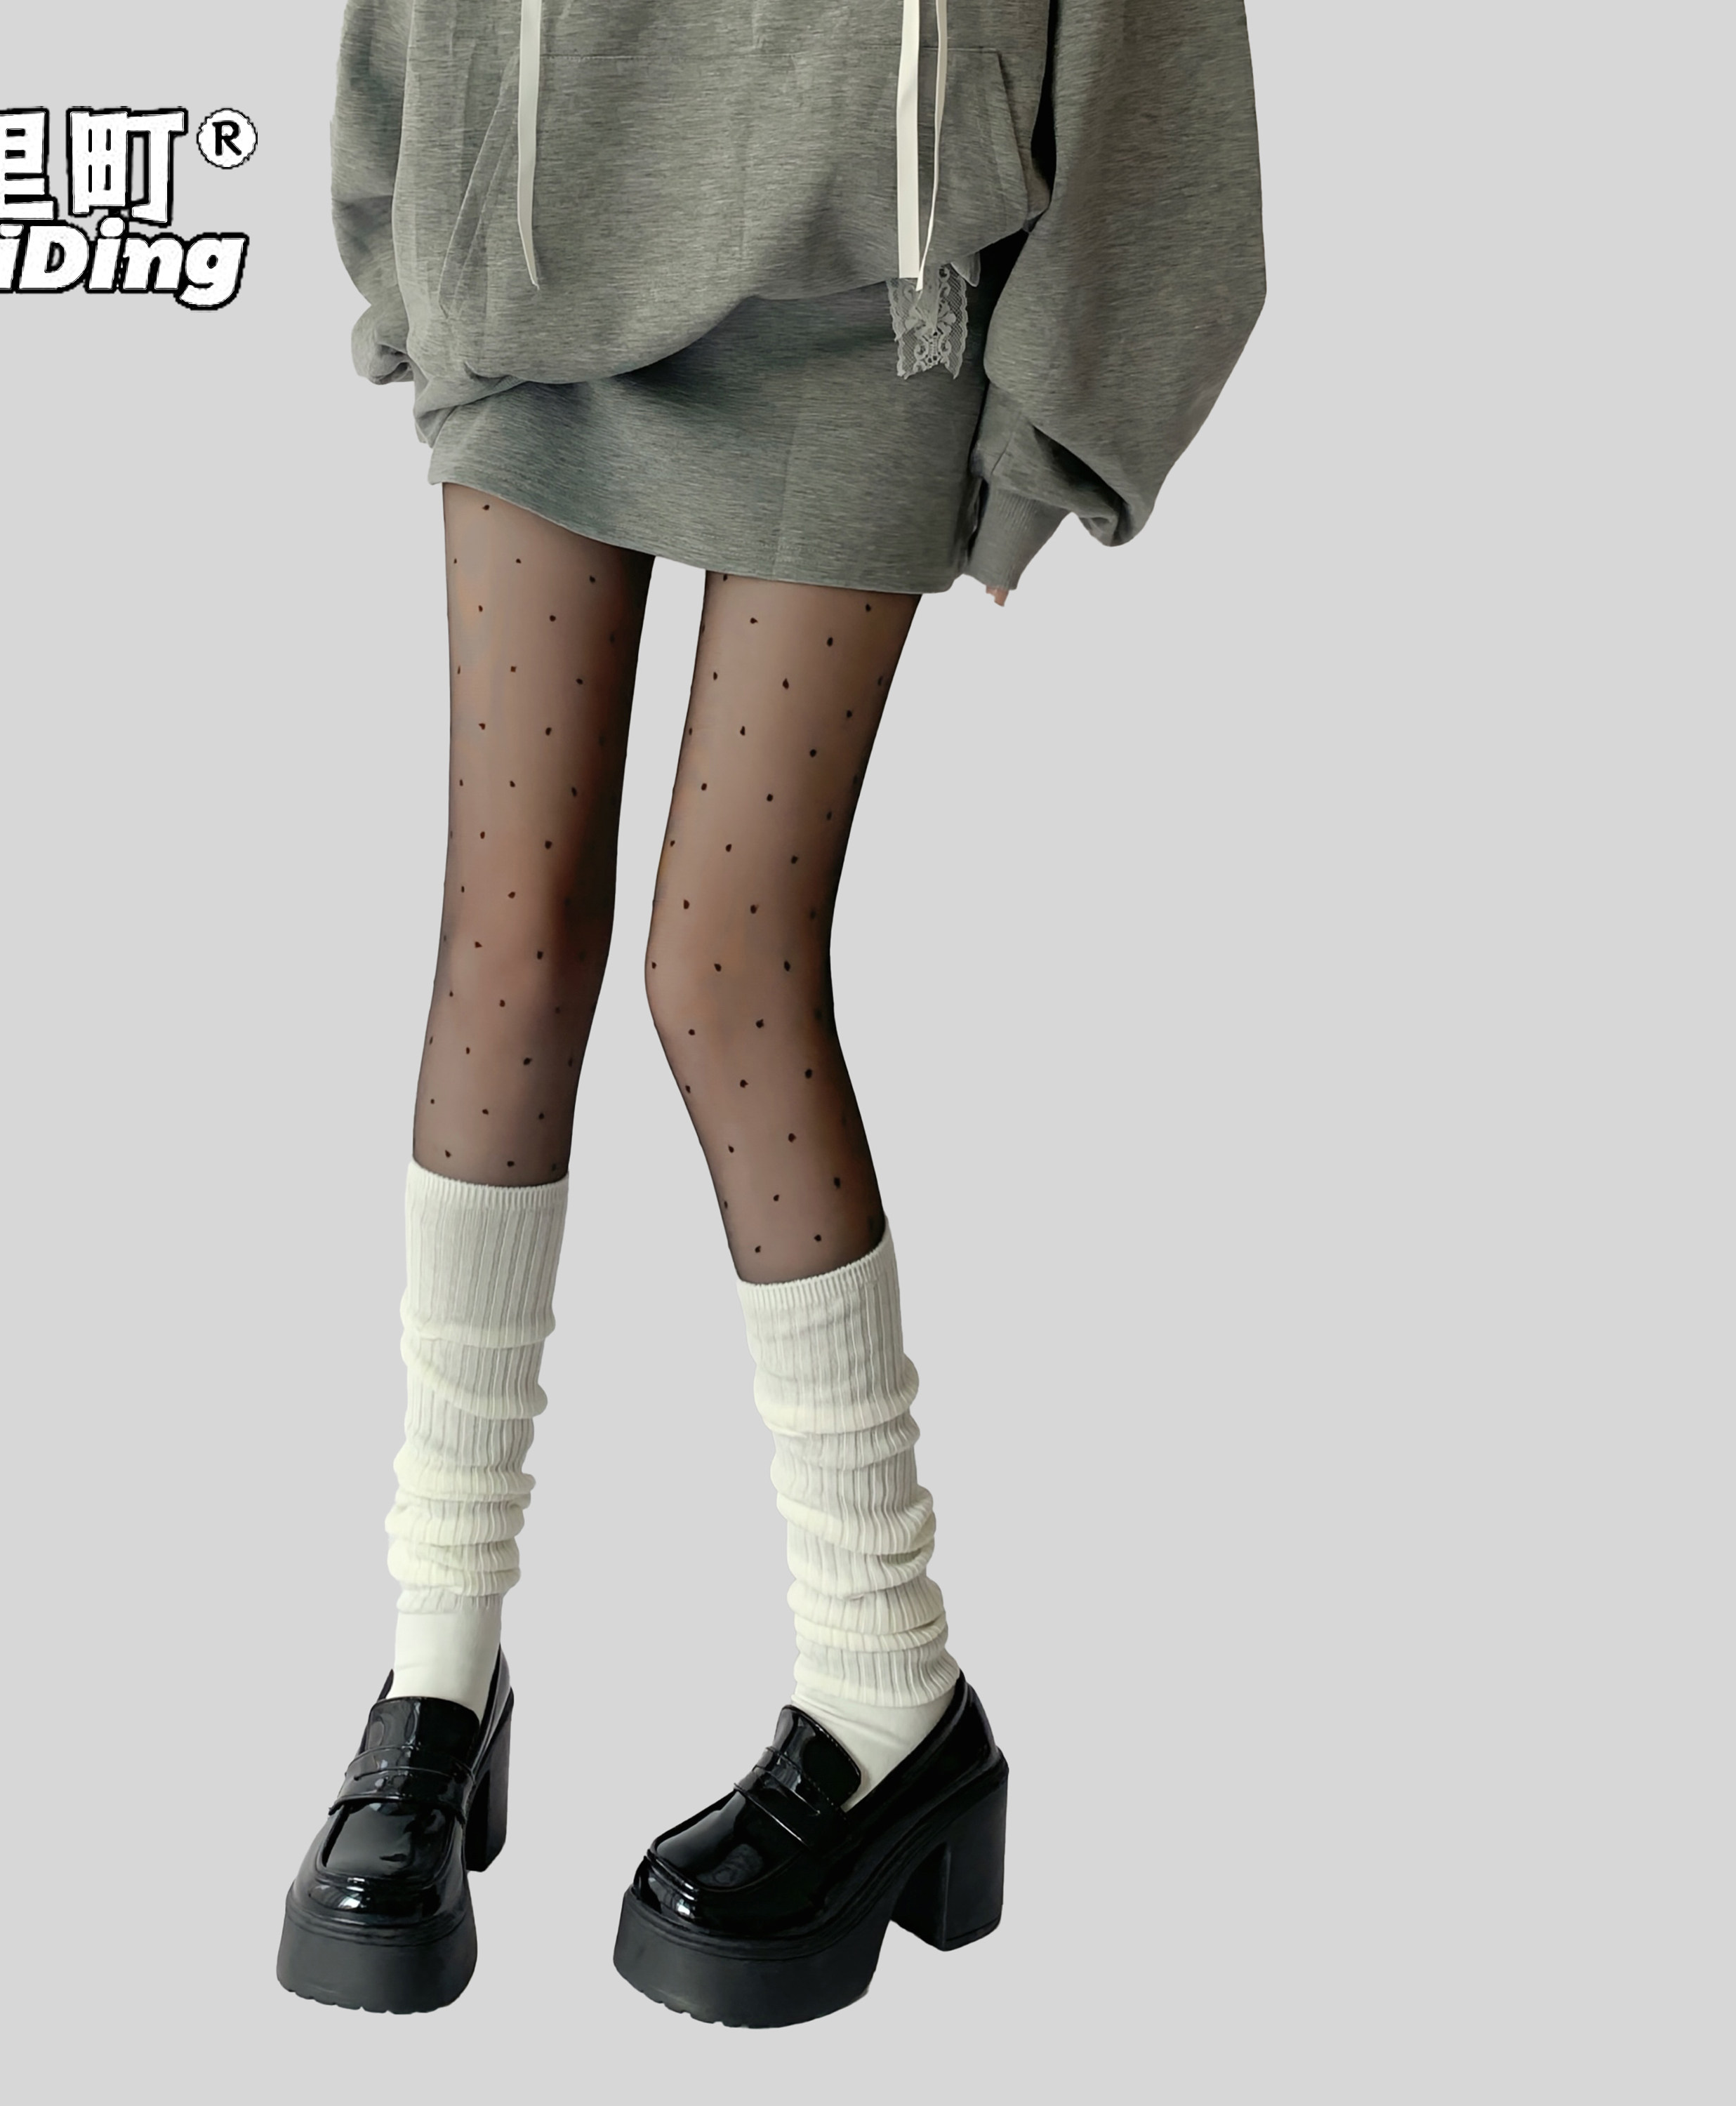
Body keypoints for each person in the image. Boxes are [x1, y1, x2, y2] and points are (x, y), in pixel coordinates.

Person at [277, 0, 1266, 2025]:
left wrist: (1068, 411)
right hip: (534, 254)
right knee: (503, 944)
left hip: (869, 307)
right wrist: (412, 223)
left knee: (722, 968)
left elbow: (1167, 49)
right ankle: (436, 1673)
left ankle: (889, 1687)